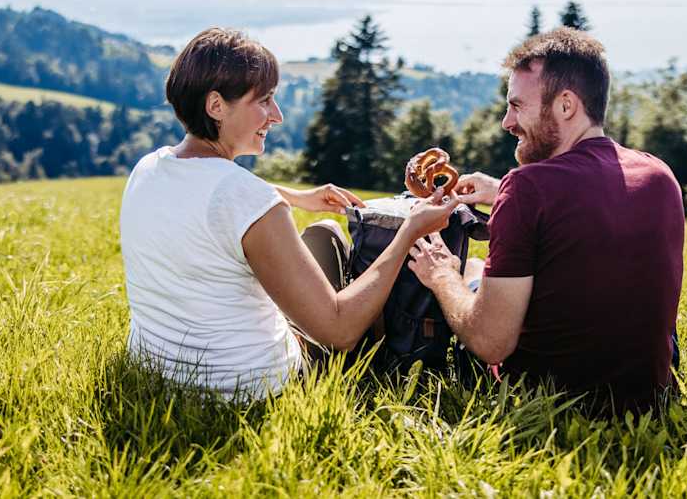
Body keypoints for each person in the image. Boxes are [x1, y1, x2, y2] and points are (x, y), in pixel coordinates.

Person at [120, 28, 456, 399]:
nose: (276, 116)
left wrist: (296, 197)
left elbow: (209, 198)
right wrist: (408, 232)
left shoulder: (148, 168)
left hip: (158, 373)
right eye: (263, 101)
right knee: (332, 245)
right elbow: (338, 331)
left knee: (323, 231)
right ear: (216, 106)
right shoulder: (247, 198)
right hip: (250, 387)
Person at [408, 28, 684, 415]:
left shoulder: (528, 189)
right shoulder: (659, 176)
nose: (506, 122)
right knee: (480, 269)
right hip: (648, 393)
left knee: (466, 269)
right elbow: (590, 208)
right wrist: (501, 188)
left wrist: (440, 275)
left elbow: (491, 342)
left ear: (566, 105)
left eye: (517, 106)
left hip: (552, 400)